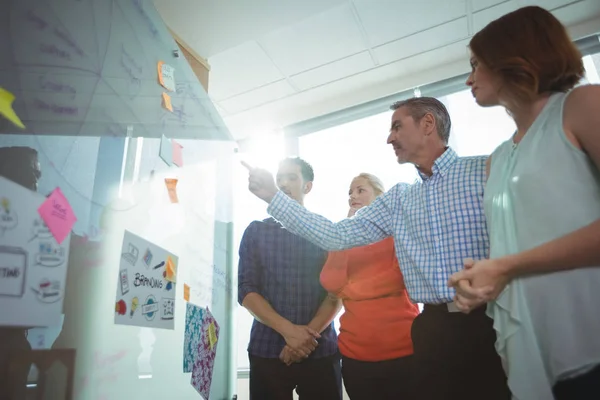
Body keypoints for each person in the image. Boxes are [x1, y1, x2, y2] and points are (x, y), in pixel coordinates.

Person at [242, 97, 510, 400]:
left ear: (427, 124)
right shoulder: (399, 200)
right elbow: (335, 234)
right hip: (432, 329)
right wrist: (272, 196)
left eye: (397, 126)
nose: (389, 137)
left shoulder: (485, 171)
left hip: (490, 320)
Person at [447, 5, 600, 399]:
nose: (469, 78)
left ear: (512, 58)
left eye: (477, 64)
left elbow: (514, 259)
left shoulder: (582, 105)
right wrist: (486, 282)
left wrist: (507, 266)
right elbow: (518, 244)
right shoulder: (497, 158)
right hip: (535, 354)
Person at [238, 157, 343, 400]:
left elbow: (337, 293)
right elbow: (246, 291)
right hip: (267, 349)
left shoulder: (325, 231)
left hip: (320, 350)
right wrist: (290, 332)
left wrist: (304, 338)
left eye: (292, 178)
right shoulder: (255, 231)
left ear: (308, 186)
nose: (284, 183)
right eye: (279, 178)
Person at [320, 173, 419, 400]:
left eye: (360, 190)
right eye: (350, 193)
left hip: (403, 351)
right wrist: (345, 232)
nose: (353, 196)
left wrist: (351, 291)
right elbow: (332, 284)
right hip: (356, 356)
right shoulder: (341, 238)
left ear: (380, 198)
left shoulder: (398, 234)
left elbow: (398, 278)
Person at [0, 146, 41, 400]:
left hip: (16, 339)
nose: (37, 180)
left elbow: (71, 242)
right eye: (32, 172)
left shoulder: (37, 215)